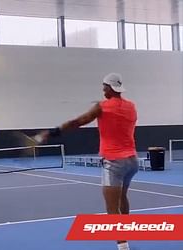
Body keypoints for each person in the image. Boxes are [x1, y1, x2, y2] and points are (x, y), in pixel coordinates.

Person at [38, 73, 137, 250]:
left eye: (104, 86)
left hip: (114, 163)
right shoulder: (131, 106)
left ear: (110, 88)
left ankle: (123, 245)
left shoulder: (102, 107)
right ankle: (126, 231)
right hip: (132, 161)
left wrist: (51, 132)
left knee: (112, 208)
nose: (102, 89)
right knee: (123, 197)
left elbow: (78, 122)